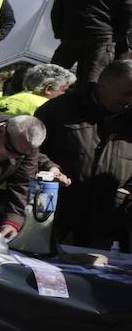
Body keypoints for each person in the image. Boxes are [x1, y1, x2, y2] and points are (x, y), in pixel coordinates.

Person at [36, 59, 132, 249]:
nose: (130, 99)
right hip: (53, 212)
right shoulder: (59, 109)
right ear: (104, 82)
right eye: (127, 92)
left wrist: (127, 192)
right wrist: (49, 167)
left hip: (105, 222)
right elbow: (30, 149)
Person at [51, 0, 132, 85]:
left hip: (71, 37)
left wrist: (61, 34)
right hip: (101, 39)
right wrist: (114, 37)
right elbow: (128, 14)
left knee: (53, 76)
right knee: (92, 80)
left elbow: (57, 12)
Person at [0, 63, 75, 117]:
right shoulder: (41, 106)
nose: (65, 94)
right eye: (63, 90)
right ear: (48, 89)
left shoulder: (14, 98)